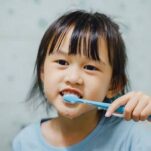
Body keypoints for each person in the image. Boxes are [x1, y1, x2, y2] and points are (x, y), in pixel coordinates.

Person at [12, 10, 151, 151]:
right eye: (62, 62)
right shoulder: (25, 142)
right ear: (43, 72)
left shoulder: (134, 137)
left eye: (90, 67)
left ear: (113, 85)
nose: (73, 78)